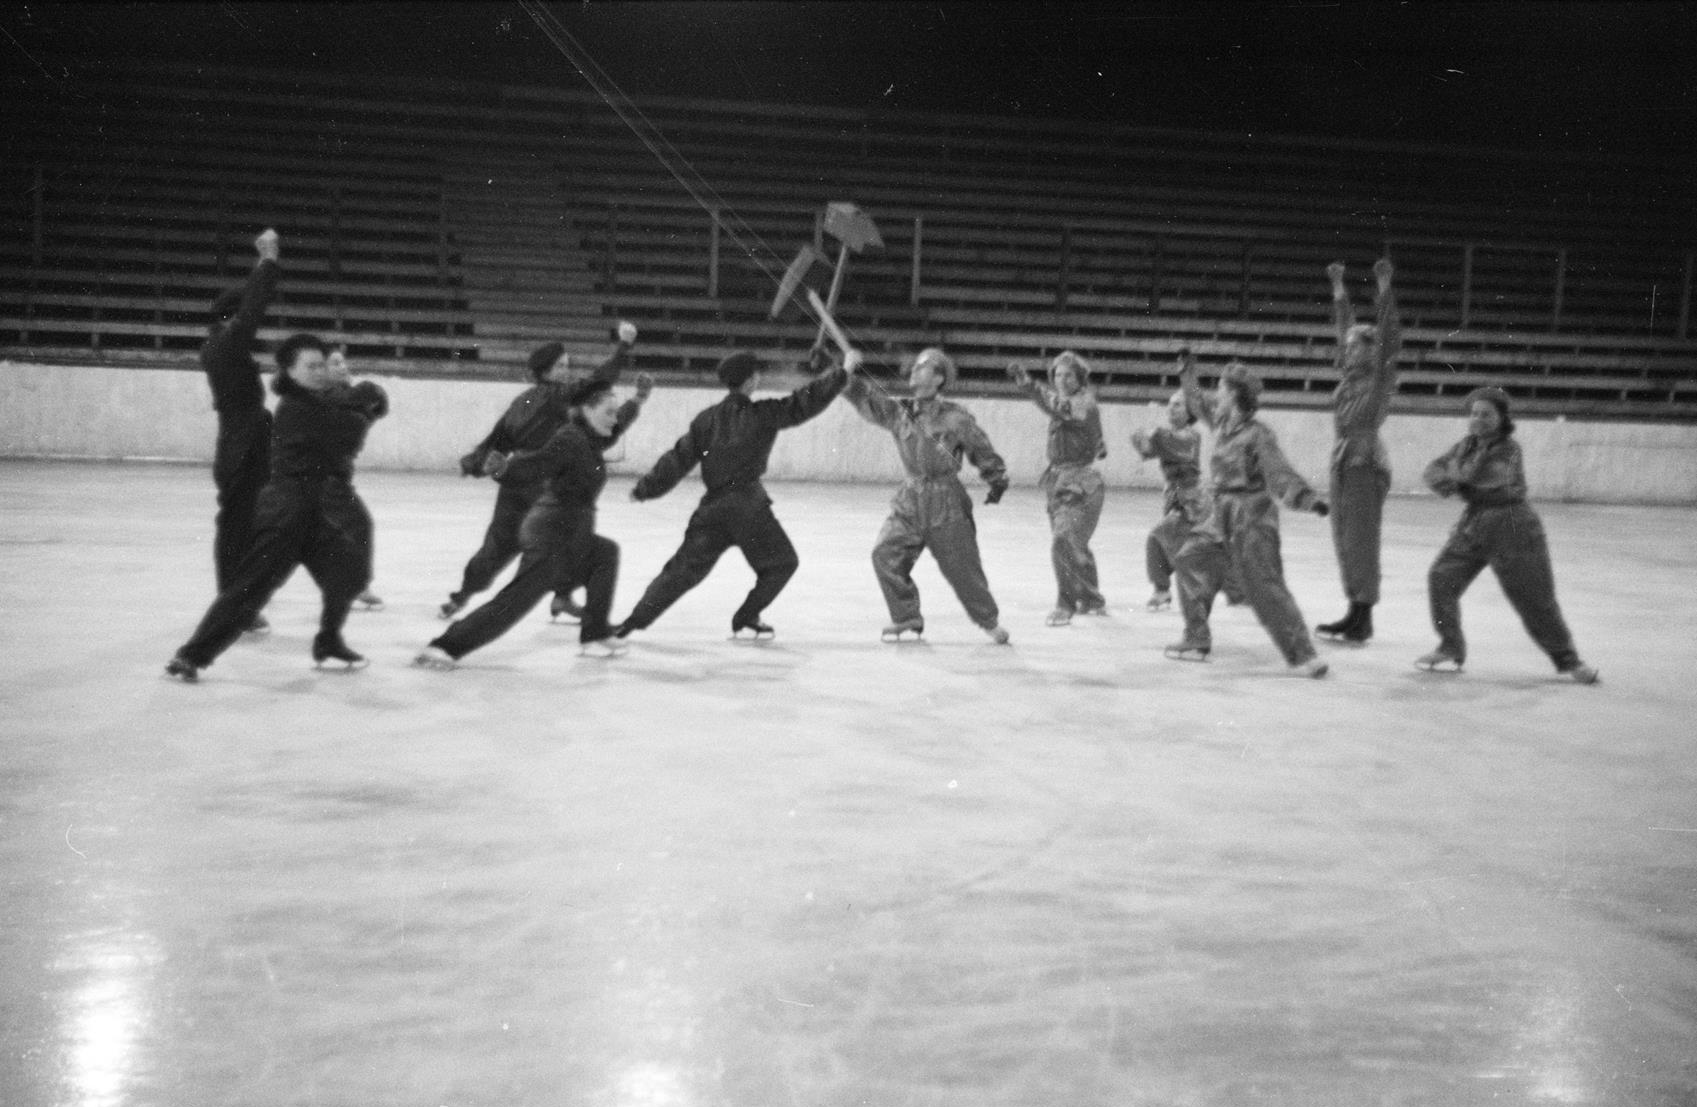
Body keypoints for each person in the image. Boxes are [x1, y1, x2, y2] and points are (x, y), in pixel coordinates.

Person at [165, 335, 389, 681]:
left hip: (318, 513)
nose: (319, 372)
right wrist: (366, 400)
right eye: (310, 367)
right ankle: (191, 656)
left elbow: (357, 417)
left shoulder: (323, 400)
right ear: (290, 372)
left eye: (322, 365)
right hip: (287, 511)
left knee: (349, 573)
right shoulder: (295, 407)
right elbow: (346, 431)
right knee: (249, 589)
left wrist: (365, 402)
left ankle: (329, 641)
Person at [614, 347, 857, 641]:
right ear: (751, 380)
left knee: (679, 572)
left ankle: (632, 622)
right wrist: (843, 372)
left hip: (712, 511)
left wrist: (644, 489)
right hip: (749, 509)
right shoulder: (763, 414)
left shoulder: (706, 420)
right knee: (782, 564)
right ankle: (746, 616)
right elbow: (804, 402)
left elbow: (676, 460)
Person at [414, 374, 649, 669]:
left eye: (615, 413)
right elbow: (538, 464)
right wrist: (505, 470)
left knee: (605, 553)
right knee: (516, 601)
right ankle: (443, 647)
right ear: (587, 410)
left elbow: (617, 424)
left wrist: (637, 401)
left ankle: (595, 634)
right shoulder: (571, 438)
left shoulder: (590, 438)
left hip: (572, 532)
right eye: (608, 412)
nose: (614, 419)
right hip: (551, 533)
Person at [439, 322, 640, 621]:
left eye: (567, 365)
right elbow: (599, 380)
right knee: (565, 542)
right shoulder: (559, 396)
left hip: (515, 482)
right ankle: (561, 596)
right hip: (543, 483)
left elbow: (499, 439)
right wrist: (623, 347)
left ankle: (462, 596)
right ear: (546, 371)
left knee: (498, 546)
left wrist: (473, 463)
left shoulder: (522, 400)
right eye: (561, 366)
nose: (566, 371)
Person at [1417, 388, 1598, 683]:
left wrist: (1455, 477)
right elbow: (1433, 471)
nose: (1478, 419)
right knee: (1442, 577)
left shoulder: (1509, 449)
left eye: (1486, 414)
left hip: (1512, 526)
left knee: (1534, 597)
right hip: (1474, 523)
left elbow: (1477, 477)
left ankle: (1568, 660)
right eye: (1474, 414)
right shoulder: (1466, 445)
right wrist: (1454, 477)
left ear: (1502, 418)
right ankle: (1450, 646)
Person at [1169, 359, 1331, 677]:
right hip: (1220, 512)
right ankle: (1196, 639)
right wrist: (1187, 371)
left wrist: (1307, 499)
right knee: (1190, 558)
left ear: (1233, 394)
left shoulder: (1258, 435)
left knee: (1264, 585)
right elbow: (1196, 401)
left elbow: (1279, 472)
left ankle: (1304, 656)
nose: (1215, 394)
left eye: (1220, 388)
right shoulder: (1222, 424)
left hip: (1251, 514)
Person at [848, 347, 1012, 644]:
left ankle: (988, 620)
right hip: (910, 498)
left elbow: (981, 448)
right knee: (885, 554)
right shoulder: (900, 412)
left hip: (945, 500)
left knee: (962, 568)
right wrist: (845, 372)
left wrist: (996, 478)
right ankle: (906, 616)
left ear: (939, 378)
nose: (914, 369)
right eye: (915, 365)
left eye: (922, 366)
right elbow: (866, 399)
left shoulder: (955, 418)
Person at [1316, 257, 1401, 643]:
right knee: (1343, 538)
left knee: (1361, 540)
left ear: (1370, 351)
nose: (1347, 350)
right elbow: (1343, 328)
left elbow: (1389, 338)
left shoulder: (1379, 379)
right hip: (1343, 461)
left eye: (1355, 347)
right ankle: (1354, 608)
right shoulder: (1349, 379)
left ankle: (1364, 615)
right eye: (1347, 347)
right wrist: (1338, 289)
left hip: (1365, 462)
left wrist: (1384, 287)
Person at [201, 227, 281, 633]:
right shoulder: (227, 344)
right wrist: (267, 260)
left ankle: (237, 603)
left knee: (244, 527)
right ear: (229, 318)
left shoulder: (217, 346)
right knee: (239, 529)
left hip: (243, 444)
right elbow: (252, 309)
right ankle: (234, 607)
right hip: (242, 448)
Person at [1007, 351, 1108, 626]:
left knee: (1064, 540)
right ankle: (1091, 598)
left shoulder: (1082, 403)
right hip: (1059, 480)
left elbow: (1056, 406)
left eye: (1068, 375)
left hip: (1080, 483)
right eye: (1058, 375)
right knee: (1072, 542)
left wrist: (1028, 384)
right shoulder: (1078, 402)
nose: (1062, 380)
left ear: (1080, 379)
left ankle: (1066, 604)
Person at [1131, 387, 1208, 613]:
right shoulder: (1170, 435)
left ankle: (1162, 591)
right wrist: (1140, 438)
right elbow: (1148, 449)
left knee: (1157, 539)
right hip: (1175, 498)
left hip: (1191, 502)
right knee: (1183, 549)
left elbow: (1169, 442)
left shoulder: (1191, 436)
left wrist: (1153, 434)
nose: (1171, 408)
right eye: (1170, 404)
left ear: (1189, 411)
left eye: (1177, 404)